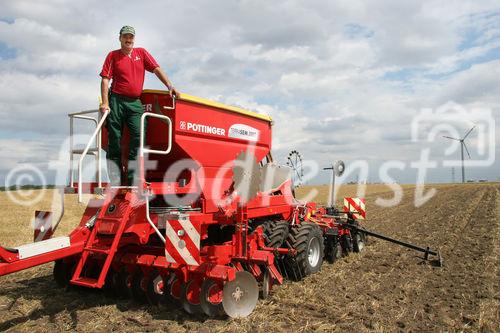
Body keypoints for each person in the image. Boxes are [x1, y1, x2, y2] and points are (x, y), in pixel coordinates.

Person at [99, 25, 179, 186]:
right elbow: (105, 79)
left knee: (139, 134)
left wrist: (169, 86)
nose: (129, 40)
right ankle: (115, 179)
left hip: (135, 101)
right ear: (120, 38)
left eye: (131, 37)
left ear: (134, 39)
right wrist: (105, 102)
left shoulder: (141, 53)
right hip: (116, 100)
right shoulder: (113, 56)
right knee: (114, 139)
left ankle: (132, 177)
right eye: (125, 37)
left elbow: (156, 69)